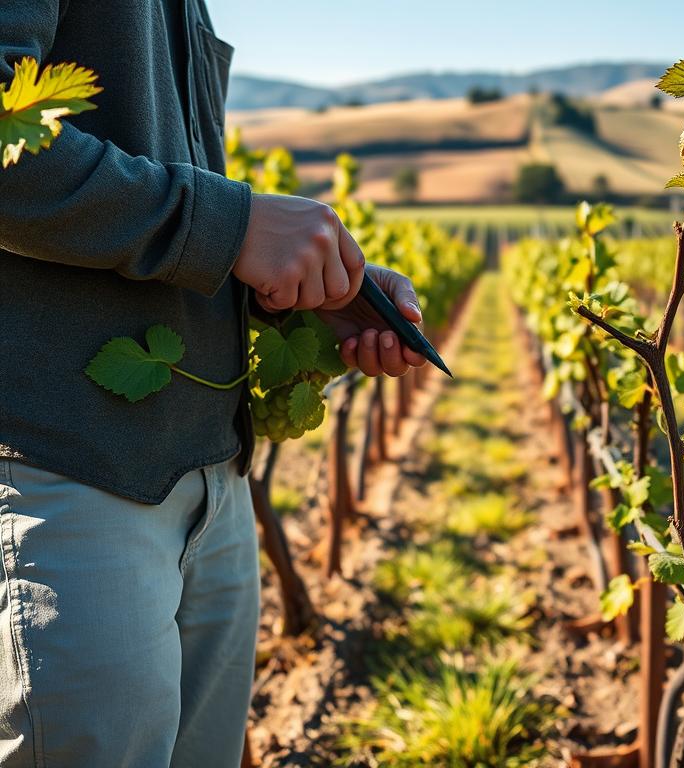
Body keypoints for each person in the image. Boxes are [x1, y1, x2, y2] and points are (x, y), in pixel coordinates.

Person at [0, 1, 425, 765]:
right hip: (66, 469)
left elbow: (165, 202)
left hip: (213, 485)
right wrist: (229, 226)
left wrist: (306, 295)